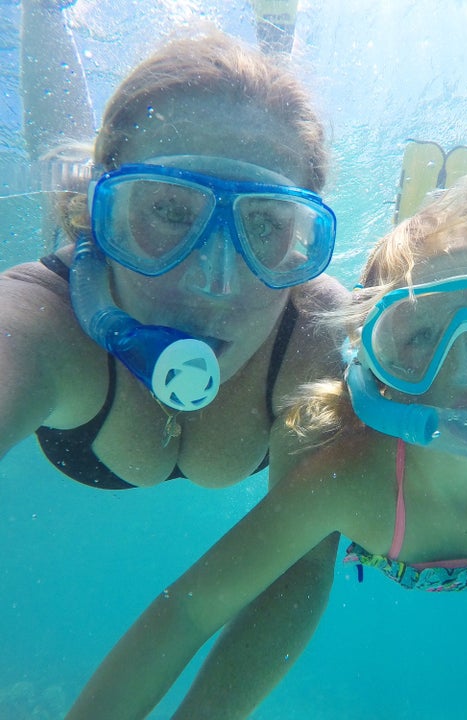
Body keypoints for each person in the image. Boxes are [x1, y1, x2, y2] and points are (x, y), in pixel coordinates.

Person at [65, 170, 467, 717]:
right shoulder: (350, 481)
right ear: (378, 376)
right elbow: (187, 612)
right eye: (419, 337)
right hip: (384, 505)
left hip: (444, 528)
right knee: (302, 553)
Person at [2, 27, 348, 718]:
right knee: (63, 171)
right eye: (166, 209)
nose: (213, 283)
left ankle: (279, 37)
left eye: (267, 222)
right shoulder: (40, 324)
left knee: (263, 120)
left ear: (303, 240)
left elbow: (303, 564)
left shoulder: (316, 339)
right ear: (105, 213)